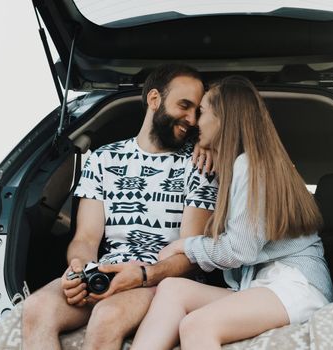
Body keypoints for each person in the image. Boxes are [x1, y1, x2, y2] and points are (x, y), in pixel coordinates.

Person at [21, 64, 219, 350]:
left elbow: (191, 255)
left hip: (160, 279)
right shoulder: (103, 159)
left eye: (196, 111)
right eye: (184, 106)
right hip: (107, 271)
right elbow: (86, 238)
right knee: (37, 307)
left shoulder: (200, 164)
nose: (191, 119)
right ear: (154, 100)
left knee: (108, 316)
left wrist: (140, 275)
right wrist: (80, 271)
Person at [130, 76, 333, 350]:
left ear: (223, 118)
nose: (194, 122)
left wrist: (184, 246)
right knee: (171, 289)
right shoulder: (247, 163)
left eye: (202, 112)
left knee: (197, 324)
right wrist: (209, 145)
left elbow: (240, 250)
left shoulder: (251, 166)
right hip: (262, 286)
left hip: (297, 287)